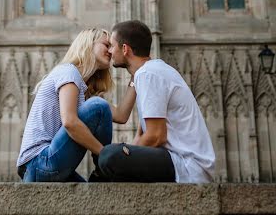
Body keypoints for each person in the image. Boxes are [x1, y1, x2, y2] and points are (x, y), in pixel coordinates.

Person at [98, 20, 215, 183]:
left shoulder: (149, 74)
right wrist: (129, 153)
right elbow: (142, 133)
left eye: (111, 45)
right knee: (109, 161)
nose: (109, 51)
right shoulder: (150, 71)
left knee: (109, 156)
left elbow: (156, 136)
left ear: (125, 49)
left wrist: (126, 155)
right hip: (179, 162)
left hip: (186, 167)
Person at [17, 28, 136, 182]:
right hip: (39, 162)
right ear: (88, 44)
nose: (111, 51)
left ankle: (102, 174)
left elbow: (121, 115)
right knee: (99, 106)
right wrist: (105, 154)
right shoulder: (69, 72)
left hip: (40, 167)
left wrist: (136, 74)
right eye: (106, 45)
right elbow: (70, 122)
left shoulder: (81, 90)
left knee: (93, 200)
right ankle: (104, 170)